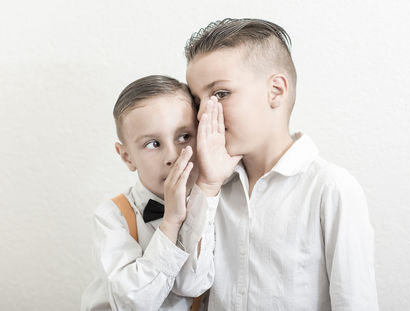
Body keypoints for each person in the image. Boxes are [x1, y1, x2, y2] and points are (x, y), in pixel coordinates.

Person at [182, 18, 379, 310]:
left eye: (221, 94)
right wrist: (206, 189)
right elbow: (187, 285)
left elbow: (354, 302)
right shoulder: (209, 189)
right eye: (198, 102)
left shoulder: (330, 189)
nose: (203, 115)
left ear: (275, 91)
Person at [81, 75, 219, 311]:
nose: (173, 157)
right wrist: (171, 222)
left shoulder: (213, 204)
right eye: (153, 144)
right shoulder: (112, 217)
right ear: (127, 157)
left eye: (184, 137)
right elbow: (134, 303)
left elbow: (191, 285)